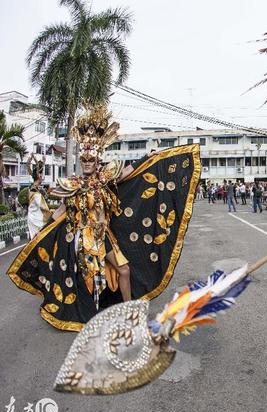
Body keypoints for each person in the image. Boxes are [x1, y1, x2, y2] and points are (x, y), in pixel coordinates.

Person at [7, 104, 199, 330]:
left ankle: (129, 313)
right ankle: (87, 315)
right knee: (85, 280)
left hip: (104, 237)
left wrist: (146, 157)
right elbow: (60, 212)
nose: (87, 163)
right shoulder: (73, 185)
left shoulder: (106, 178)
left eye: (91, 160)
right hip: (81, 240)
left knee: (124, 270)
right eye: (84, 160)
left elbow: (128, 172)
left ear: (97, 160)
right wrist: (41, 233)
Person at [26, 158, 51, 239]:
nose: (43, 176)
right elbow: (44, 208)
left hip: (32, 217)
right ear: (39, 176)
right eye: (42, 174)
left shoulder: (32, 188)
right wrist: (53, 215)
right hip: (36, 220)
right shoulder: (36, 192)